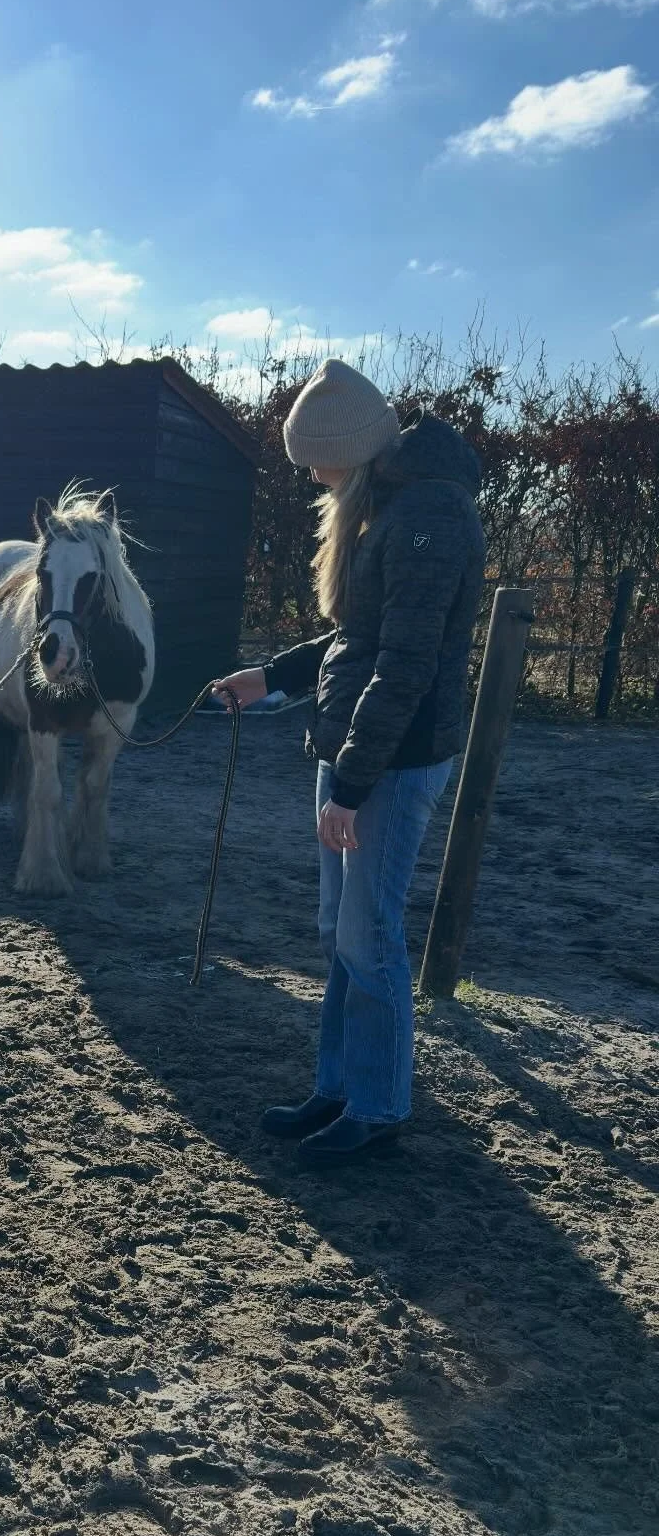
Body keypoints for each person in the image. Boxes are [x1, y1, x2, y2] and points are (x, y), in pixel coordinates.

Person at [213, 358, 486, 1169]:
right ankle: (340, 1088)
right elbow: (357, 637)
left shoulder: (427, 522)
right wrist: (274, 676)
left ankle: (379, 1108)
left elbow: (404, 667)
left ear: (346, 448)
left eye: (314, 459)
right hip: (355, 752)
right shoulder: (390, 509)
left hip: (391, 764)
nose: (310, 475)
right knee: (343, 935)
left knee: (371, 937)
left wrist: (354, 786)